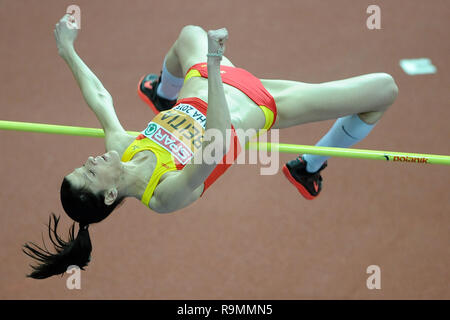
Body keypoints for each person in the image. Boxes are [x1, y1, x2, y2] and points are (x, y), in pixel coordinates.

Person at [23, 14, 398, 279]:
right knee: (384, 89)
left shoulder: (122, 148)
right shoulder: (164, 194)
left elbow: (100, 98)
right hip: (263, 104)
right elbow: (216, 141)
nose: (90, 158)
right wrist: (216, 63)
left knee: (188, 33)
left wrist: (67, 51)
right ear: (108, 194)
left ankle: (162, 93)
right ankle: (309, 167)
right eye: (89, 170)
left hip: (203, 81)